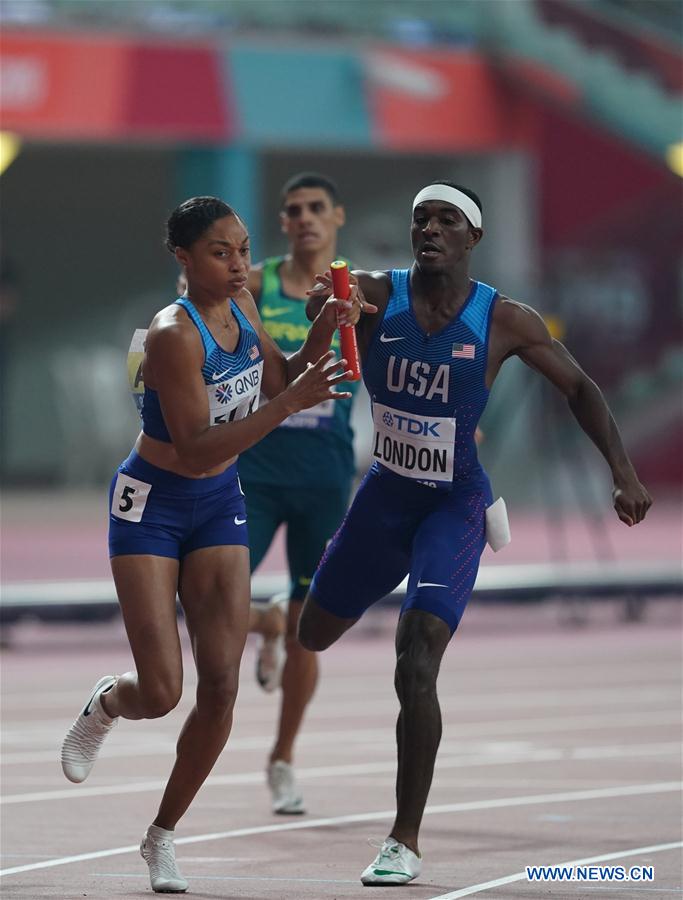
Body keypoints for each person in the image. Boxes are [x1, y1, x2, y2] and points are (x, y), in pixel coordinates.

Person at [298, 181, 652, 886]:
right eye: (419, 218)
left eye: (445, 220)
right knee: (311, 635)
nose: (428, 229)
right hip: (382, 500)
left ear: (473, 239)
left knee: (415, 658)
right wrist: (322, 304)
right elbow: (323, 299)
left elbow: (579, 387)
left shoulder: (505, 319)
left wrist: (622, 471)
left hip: (450, 508)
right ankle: (304, 606)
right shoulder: (374, 291)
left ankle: (402, 839)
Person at [60, 196, 358, 894]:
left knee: (221, 687)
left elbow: (283, 382)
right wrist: (289, 403)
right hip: (153, 505)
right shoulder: (172, 334)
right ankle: (108, 703)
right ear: (183, 258)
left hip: (219, 500)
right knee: (164, 691)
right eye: (221, 253)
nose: (239, 265)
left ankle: (161, 835)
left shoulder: (244, 308)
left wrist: (323, 328)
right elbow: (192, 450)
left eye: (245, 250)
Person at [237, 172, 361, 815]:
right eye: (294, 210)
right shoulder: (255, 284)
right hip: (254, 473)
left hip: (323, 478)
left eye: (317, 207)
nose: (306, 217)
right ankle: (266, 620)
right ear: (282, 223)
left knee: (311, 628)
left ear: (337, 216)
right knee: (204, 595)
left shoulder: (358, 294)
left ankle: (283, 759)